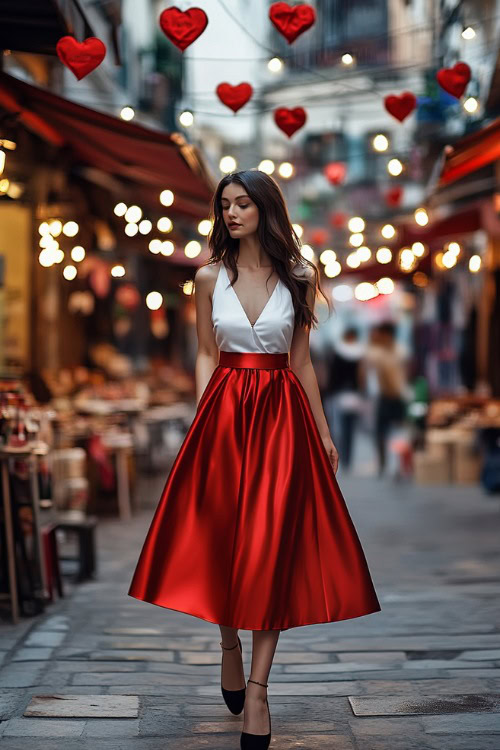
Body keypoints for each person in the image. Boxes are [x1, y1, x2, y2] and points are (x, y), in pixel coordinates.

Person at [128, 170, 381, 749]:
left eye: (243, 204)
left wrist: (322, 432)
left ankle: (260, 690)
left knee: (271, 546)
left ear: (267, 209)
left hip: (282, 419)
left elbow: (303, 363)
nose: (232, 214)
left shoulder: (301, 274)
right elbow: (201, 355)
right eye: (225, 206)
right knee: (222, 538)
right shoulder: (207, 277)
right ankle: (228, 644)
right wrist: (202, 415)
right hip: (221, 414)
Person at [363, 321, 408, 476]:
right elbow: (367, 363)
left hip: (398, 396)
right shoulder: (376, 352)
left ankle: (397, 465)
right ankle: (384, 463)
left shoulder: (400, 351)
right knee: (381, 432)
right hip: (384, 396)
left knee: (398, 432)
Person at [324, 327, 365, 471]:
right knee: (350, 429)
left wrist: (330, 391)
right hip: (353, 394)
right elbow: (361, 377)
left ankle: (341, 455)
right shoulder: (360, 353)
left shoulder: (337, 352)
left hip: (339, 394)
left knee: (338, 427)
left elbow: (332, 375)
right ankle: (348, 458)